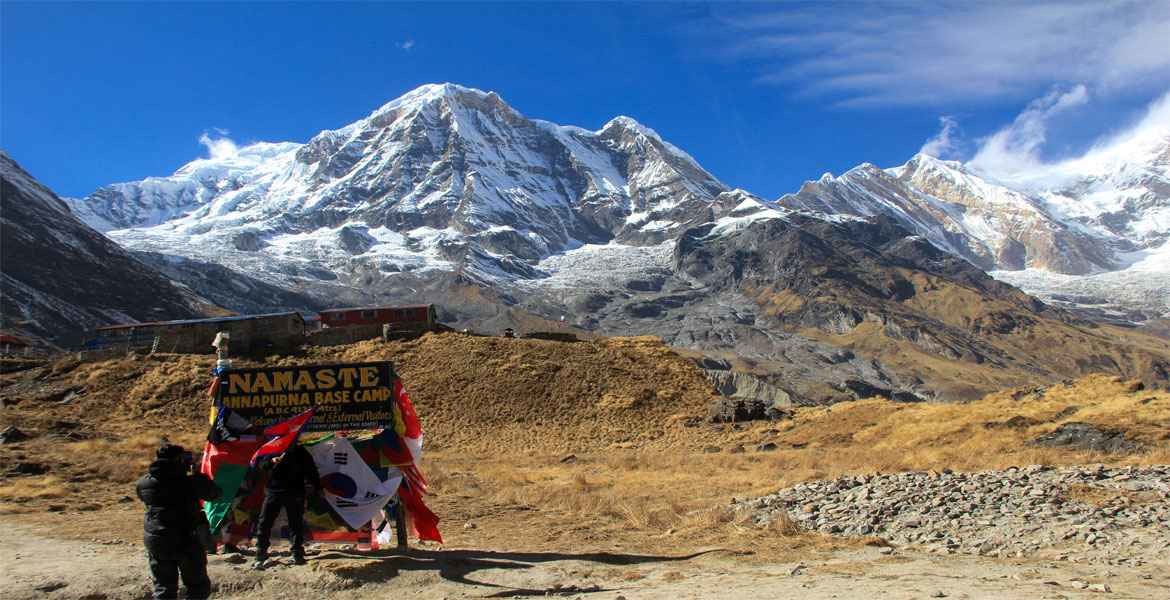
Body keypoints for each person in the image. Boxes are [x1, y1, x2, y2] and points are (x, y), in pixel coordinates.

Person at [136, 443, 221, 600]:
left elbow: (144, 498)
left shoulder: (144, 483)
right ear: (179, 460)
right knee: (197, 587)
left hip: (156, 539)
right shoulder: (190, 482)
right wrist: (199, 476)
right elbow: (214, 494)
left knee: (163, 587)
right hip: (186, 539)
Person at [253, 443, 322, 568]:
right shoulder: (272, 448)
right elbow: (261, 465)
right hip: (273, 491)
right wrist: (271, 461)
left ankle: (297, 553)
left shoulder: (300, 451)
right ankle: (261, 552)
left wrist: (318, 487)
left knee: (295, 524)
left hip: (295, 492)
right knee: (264, 522)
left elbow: (311, 470)